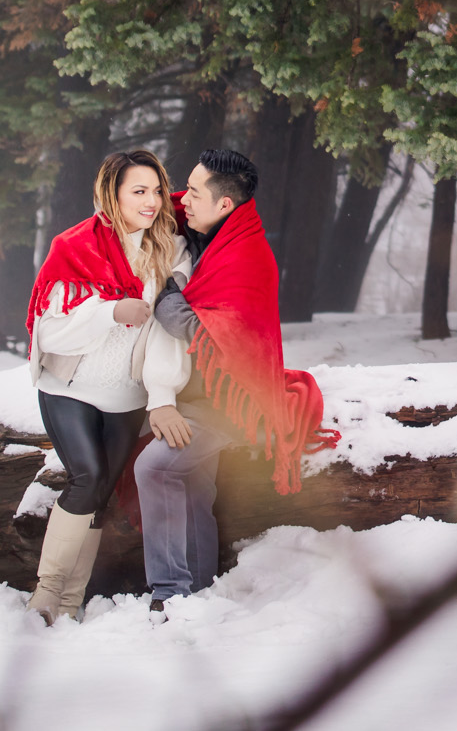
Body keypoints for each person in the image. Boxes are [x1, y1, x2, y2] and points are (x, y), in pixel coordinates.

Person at [134, 147, 334, 615]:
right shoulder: (201, 226)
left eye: (196, 192)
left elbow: (208, 336)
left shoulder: (248, 255)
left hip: (230, 399)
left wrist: (162, 291)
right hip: (194, 393)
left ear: (225, 204)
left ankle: (169, 593)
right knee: (193, 485)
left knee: (155, 468)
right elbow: (155, 205)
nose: (183, 200)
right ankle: (198, 591)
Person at [22, 148, 182, 625]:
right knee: (87, 477)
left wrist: (161, 396)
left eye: (156, 190)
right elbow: (47, 332)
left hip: (125, 396)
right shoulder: (75, 247)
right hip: (69, 386)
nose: (151, 201)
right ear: (112, 194)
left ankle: (71, 602)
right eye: (138, 191)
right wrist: (109, 312)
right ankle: (45, 594)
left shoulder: (167, 251)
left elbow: (164, 334)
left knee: (100, 490)